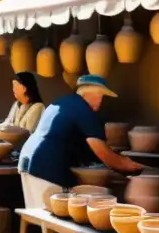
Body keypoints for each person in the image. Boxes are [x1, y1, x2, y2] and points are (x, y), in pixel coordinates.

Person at [18, 74, 143, 208]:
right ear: (88, 93)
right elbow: (102, 151)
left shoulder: (64, 102)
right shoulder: (84, 110)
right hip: (46, 167)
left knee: (38, 217)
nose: (101, 101)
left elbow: (86, 151)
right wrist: (126, 165)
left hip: (27, 160)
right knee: (50, 218)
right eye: (100, 95)